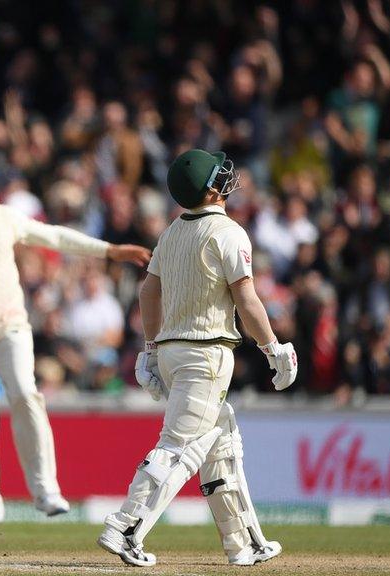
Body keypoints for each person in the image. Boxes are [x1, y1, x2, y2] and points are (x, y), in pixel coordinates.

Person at [0, 152, 151, 524]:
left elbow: (53, 236)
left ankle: (45, 488)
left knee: (25, 393)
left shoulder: (4, 217)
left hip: (10, 326)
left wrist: (110, 250)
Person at [98, 149, 297, 567]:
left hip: (174, 351)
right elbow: (246, 297)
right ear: (210, 189)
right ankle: (125, 527)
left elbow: (147, 292)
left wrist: (150, 351)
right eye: (219, 173)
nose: (228, 176)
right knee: (179, 446)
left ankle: (243, 543)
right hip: (206, 353)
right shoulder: (228, 232)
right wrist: (272, 347)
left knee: (221, 445)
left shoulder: (171, 233)